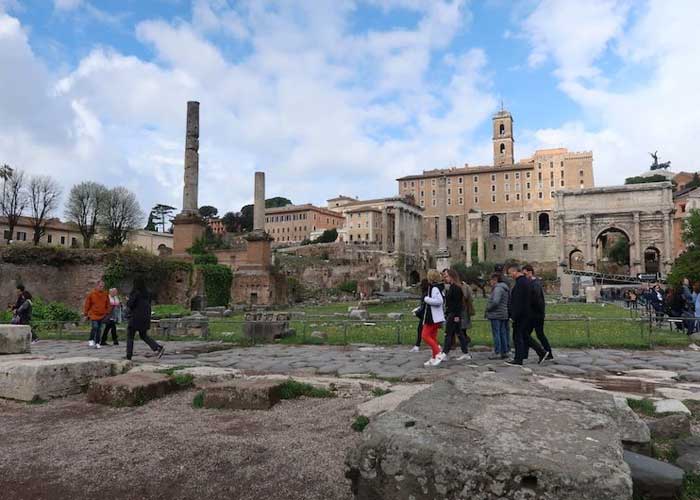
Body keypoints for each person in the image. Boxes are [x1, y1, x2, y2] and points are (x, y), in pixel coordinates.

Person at [506, 264, 546, 366]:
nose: (510, 275)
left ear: (515, 271)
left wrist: (514, 316)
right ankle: (541, 352)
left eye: (510, 273)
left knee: (517, 337)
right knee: (524, 336)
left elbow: (519, 302)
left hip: (521, 315)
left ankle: (518, 359)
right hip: (526, 314)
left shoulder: (521, 283)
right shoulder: (526, 282)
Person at [125, 279, 164, 360]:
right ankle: (157, 347)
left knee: (130, 336)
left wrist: (128, 300)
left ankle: (129, 355)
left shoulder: (136, 293)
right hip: (145, 317)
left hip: (135, 318)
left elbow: (130, 304)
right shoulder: (147, 294)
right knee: (143, 335)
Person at [523, 264, 554, 361]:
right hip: (535, 314)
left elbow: (536, 300)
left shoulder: (535, 284)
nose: (524, 276)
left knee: (535, 334)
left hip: (535, 314)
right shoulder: (533, 283)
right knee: (528, 334)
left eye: (525, 274)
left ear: (529, 272)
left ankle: (546, 352)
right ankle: (525, 353)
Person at [440, 269, 471, 361]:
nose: (445, 278)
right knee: (459, 334)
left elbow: (458, 304)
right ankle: (465, 352)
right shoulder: (452, 287)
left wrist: (457, 316)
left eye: (446, 276)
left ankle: (445, 352)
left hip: (454, 314)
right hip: (452, 313)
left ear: (452, 277)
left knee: (448, 334)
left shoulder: (456, 288)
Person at [420, 269, 445, 367]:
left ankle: (438, 353)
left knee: (425, 336)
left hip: (433, 317)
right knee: (433, 337)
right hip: (433, 316)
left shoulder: (434, 288)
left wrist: (427, 299)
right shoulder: (434, 288)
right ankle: (434, 356)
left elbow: (439, 301)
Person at [485, 272, 509, 360]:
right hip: (503, 313)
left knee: (497, 333)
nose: (489, 282)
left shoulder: (498, 289)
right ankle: (505, 350)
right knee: (503, 332)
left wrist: (488, 308)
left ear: (495, 280)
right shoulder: (504, 288)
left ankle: (498, 351)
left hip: (496, 314)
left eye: (490, 280)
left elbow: (495, 301)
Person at [83, 279, 111, 349]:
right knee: (95, 327)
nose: (102, 287)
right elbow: (87, 304)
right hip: (93, 314)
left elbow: (108, 304)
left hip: (102, 314)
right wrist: (86, 313)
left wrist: (107, 311)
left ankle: (98, 342)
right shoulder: (92, 294)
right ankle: (91, 339)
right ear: (97, 286)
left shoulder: (105, 294)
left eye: (103, 286)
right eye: (100, 286)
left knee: (99, 329)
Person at [410, 279, 430, 353]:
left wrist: (417, 312)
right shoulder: (427, 293)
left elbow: (424, 306)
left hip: (425, 316)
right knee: (421, 330)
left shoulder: (426, 294)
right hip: (425, 315)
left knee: (425, 333)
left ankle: (436, 347)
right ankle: (417, 346)